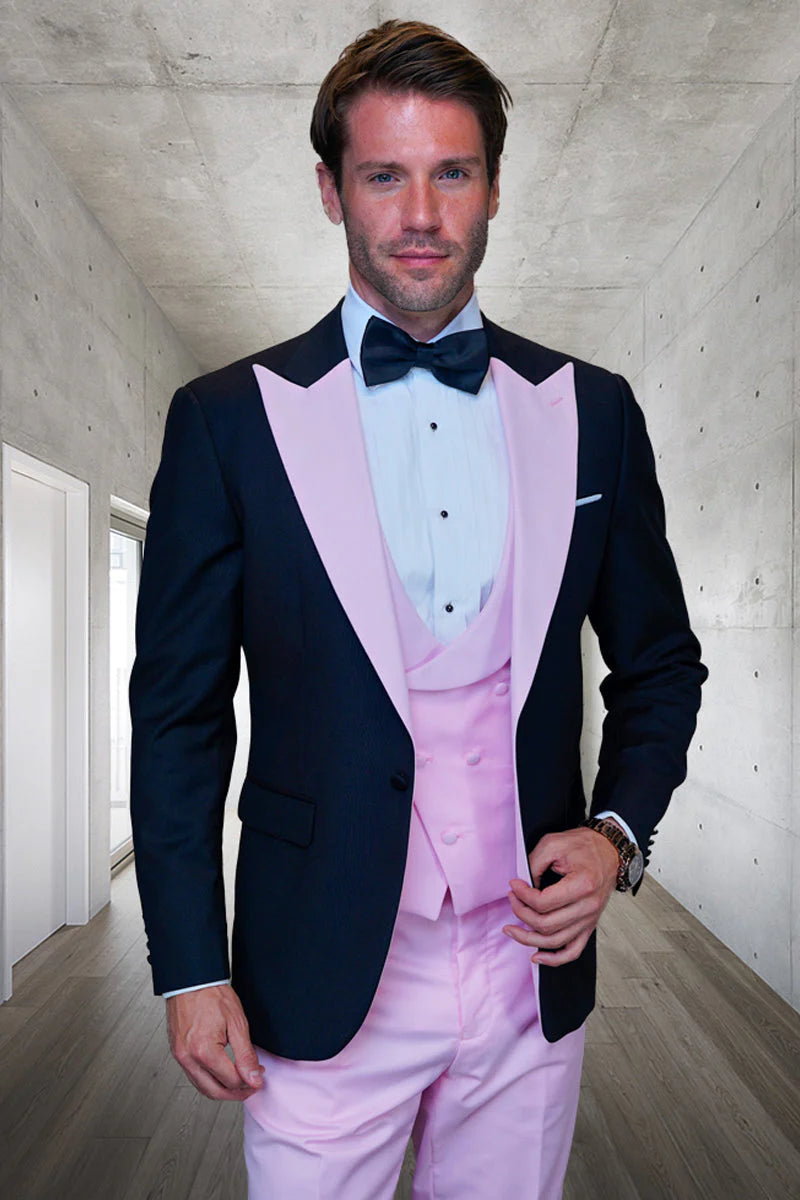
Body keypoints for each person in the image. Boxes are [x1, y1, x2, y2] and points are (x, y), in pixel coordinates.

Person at [129, 19, 706, 1199]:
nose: (421, 215)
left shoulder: (591, 411)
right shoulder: (227, 421)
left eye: (452, 172)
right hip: (317, 962)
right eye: (383, 176)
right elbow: (179, 718)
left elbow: (658, 664)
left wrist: (614, 835)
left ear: (493, 185)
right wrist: (188, 966)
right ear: (330, 191)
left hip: (526, 968)